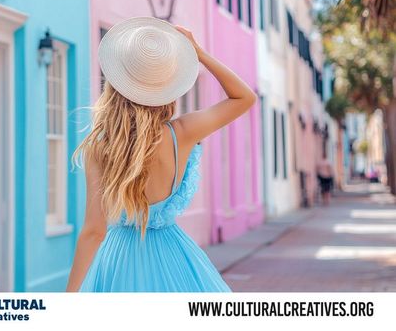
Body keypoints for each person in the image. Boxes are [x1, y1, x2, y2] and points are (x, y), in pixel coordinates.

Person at [66, 17, 257, 292]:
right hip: (175, 258)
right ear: (168, 88)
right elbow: (244, 98)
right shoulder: (183, 132)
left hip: (118, 263)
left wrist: (68, 299)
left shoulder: (100, 145)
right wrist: (200, 55)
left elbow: (93, 231)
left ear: (116, 83)